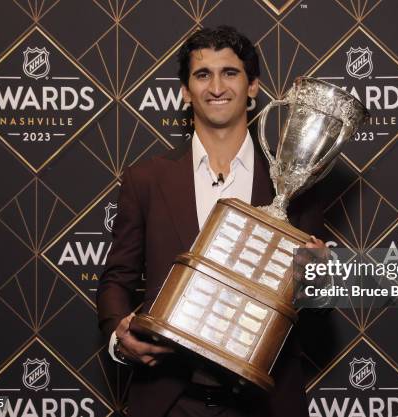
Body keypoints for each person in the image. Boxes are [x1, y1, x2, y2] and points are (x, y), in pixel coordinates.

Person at [96, 25, 326, 417]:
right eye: (203, 75)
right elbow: (117, 279)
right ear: (186, 92)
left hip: (264, 403)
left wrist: (320, 280)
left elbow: (315, 307)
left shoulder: (294, 180)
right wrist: (120, 334)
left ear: (253, 87)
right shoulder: (146, 179)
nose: (216, 86)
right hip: (169, 400)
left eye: (230, 73)